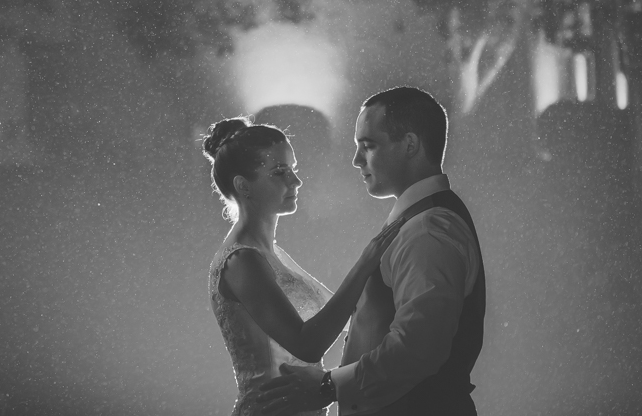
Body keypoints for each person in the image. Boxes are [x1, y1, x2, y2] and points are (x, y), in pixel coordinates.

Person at [261, 86, 485, 416]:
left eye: (368, 146)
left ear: (410, 145)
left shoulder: (428, 229)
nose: (356, 160)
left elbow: (418, 349)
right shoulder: (420, 221)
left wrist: (328, 386)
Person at [205, 117, 405, 416]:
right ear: (243, 185)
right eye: (279, 172)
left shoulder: (272, 254)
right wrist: (365, 263)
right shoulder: (241, 261)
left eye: (293, 169)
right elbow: (307, 345)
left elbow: (345, 319)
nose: (295, 182)